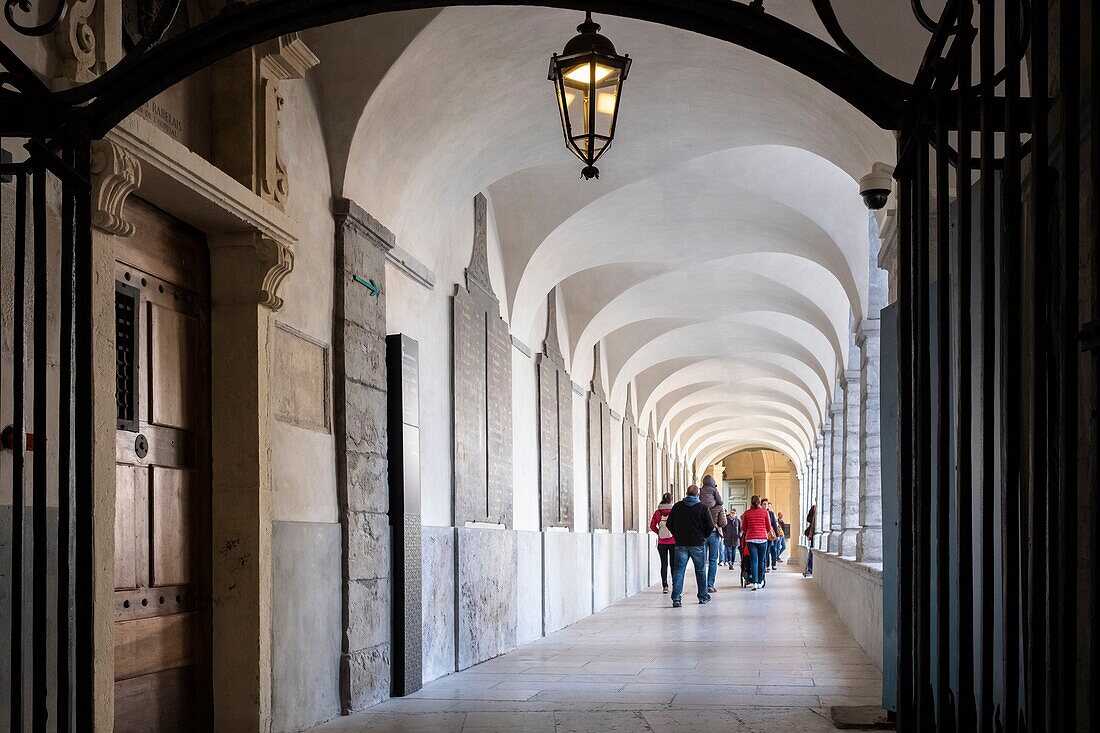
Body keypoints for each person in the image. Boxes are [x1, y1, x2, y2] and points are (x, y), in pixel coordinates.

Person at [665, 485, 715, 607]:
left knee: (679, 571)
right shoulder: (702, 508)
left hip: (681, 543)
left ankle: (676, 598)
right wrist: (703, 536)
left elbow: (669, 524)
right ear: (698, 495)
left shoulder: (677, 506)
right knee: (700, 571)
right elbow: (710, 526)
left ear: (686, 493)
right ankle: (703, 596)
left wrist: (677, 534)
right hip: (697, 543)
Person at [739, 495, 771, 590]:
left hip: (751, 539)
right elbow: (768, 527)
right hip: (762, 539)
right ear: (759, 502)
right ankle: (761, 581)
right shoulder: (765, 512)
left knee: (754, 561)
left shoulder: (747, 513)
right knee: (761, 561)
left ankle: (755, 583)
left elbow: (743, 528)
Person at [648, 493, 676, 593]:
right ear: (671, 500)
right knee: (673, 564)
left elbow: (651, 526)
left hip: (661, 542)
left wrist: (659, 532)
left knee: (664, 564)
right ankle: (675, 584)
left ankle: (665, 586)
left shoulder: (657, 512)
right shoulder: (674, 511)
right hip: (673, 541)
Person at [705, 498, 727, 594]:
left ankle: (702, 586)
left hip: (702, 534)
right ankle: (710, 585)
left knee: (702, 561)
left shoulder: (700, 504)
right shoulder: (718, 506)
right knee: (713, 560)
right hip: (714, 533)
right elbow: (723, 523)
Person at [761, 498, 780, 571]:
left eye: (766, 504)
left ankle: (773, 564)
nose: (765, 506)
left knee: (772, 549)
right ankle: (766, 565)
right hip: (762, 534)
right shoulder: (760, 513)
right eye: (764, 504)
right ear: (761, 505)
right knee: (766, 550)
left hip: (769, 534)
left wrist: (777, 535)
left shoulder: (771, 513)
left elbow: (774, 524)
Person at [803, 503, 817, 577]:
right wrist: (815, 518)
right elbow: (808, 518)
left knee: (812, 552)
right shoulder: (814, 507)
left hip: (816, 532)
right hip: (813, 532)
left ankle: (811, 569)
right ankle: (809, 569)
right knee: (811, 552)